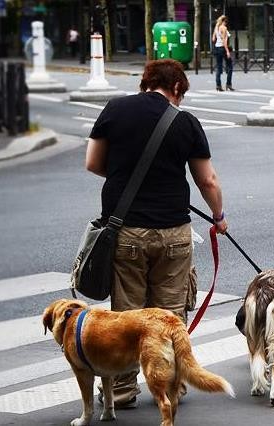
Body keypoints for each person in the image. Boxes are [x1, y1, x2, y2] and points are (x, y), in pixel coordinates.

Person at [85, 59, 228, 407]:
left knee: (126, 316)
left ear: (145, 82)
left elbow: (93, 163)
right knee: (169, 315)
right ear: (176, 88)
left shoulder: (115, 109)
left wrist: (126, 177)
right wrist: (218, 216)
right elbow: (206, 180)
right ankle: (171, 387)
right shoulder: (185, 122)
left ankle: (120, 391)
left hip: (126, 231)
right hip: (174, 233)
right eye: (182, 94)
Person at [212, 15, 234, 91]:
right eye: (226, 22)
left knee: (219, 67)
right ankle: (228, 84)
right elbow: (224, 41)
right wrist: (227, 51)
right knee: (230, 66)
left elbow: (213, 39)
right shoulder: (224, 28)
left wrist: (218, 39)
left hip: (217, 48)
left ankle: (218, 85)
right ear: (225, 21)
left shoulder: (216, 27)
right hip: (223, 48)